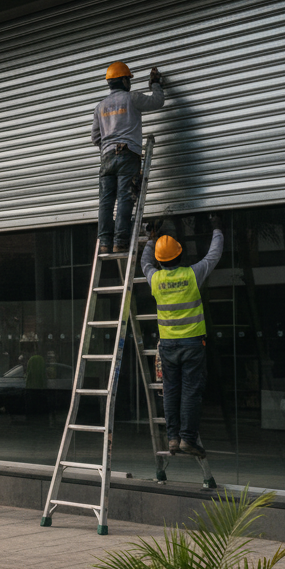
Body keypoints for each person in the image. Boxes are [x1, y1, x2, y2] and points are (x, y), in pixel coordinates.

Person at [141, 214, 224, 457]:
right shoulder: (191, 275)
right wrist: (217, 228)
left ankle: (173, 439)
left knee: (171, 390)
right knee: (190, 391)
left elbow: (145, 263)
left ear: (160, 260)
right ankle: (188, 439)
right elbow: (214, 255)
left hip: (168, 345)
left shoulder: (155, 279)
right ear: (179, 255)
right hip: (192, 344)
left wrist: (150, 239)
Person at [92, 62, 166, 254]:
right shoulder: (132, 98)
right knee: (126, 197)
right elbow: (157, 102)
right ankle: (120, 241)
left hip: (106, 158)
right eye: (129, 79)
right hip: (128, 155)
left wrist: (107, 147)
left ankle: (105, 242)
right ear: (124, 80)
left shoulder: (100, 107)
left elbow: (95, 137)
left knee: (106, 201)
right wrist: (156, 84)